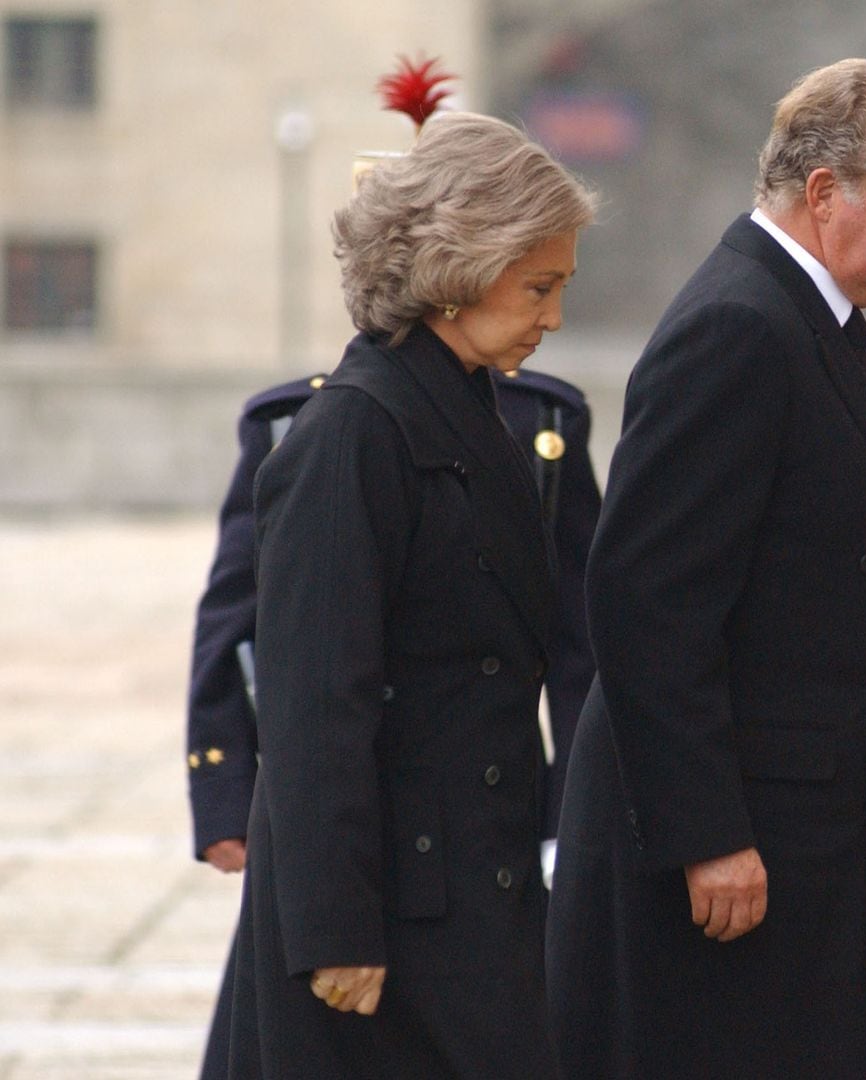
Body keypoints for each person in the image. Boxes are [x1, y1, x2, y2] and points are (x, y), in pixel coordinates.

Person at [545, 59, 866, 1078]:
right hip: (738, 847)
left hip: (818, 816)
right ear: (825, 194)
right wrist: (707, 835)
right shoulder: (740, 326)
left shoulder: (806, 317)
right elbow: (646, 602)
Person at [210, 111, 596, 1078]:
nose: (553, 318)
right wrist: (335, 925)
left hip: (467, 885)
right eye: (538, 286)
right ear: (457, 269)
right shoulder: (353, 435)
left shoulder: (465, 410)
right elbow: (314, 703)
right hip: (385, 915)